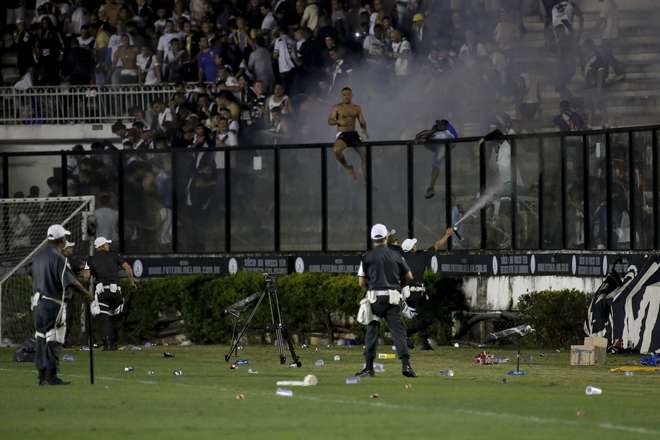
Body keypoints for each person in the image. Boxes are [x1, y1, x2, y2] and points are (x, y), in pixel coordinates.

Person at [32, 224, 92, 385]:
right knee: (54, 337)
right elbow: (71, 282)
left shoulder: (38, 256)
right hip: (53, 301)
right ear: (61, 239)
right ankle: (51, 376)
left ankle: (41, 375)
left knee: (40, 337)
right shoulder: (59, 258)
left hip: (37, 302)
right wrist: (86, 294)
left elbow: (33, 275)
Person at [356, 224, 416, 378]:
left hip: (374, 298)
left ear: (372, 238)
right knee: (398, 332)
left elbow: (361, 282)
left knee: (372, 332)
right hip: (393, 298)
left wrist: (371, 288)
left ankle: (369, 368)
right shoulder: (396, 255)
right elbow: (409, 277)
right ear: (386, 237)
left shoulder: (366, 256)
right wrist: (398, 286)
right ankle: (406, 366)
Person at [83, 237, 137, 351]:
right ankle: (114, 343)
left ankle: (107, 344)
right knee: (115, 317)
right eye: (107, 244)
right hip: (116, 291)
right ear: (102, 246)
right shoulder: (114, 255)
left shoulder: (90, 259)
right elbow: (127, 267)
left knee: (104, 317)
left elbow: (86, 276)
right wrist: (132, 282)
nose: (108, 246)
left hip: (102, 292)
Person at [328, 86, 369, 180]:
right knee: (336, 150)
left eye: (348, 95)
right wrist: (338, 122)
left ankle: (365, 179)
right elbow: (330, 121)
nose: (346, 96)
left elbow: (362, 121)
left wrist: (365, 130)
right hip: (343, 134)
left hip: (354, 134)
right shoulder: (337, 107)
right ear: (341, 96)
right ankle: (348, 167)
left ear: (351, 95)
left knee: (366, 155)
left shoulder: (357, 108)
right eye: (344, 95)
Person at [415, 119, 458, 199]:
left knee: (437, 160)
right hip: (440, 145)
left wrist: (421, 138)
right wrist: (421, 138)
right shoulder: (436, 129)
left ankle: (431, 187)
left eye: (440, 125)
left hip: (447, 144)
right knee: (436, 161)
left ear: (444, 125)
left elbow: (424, 136)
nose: (438, 126)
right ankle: (431, 188)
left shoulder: (447, 132)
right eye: (438, 124)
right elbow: (421, 135)